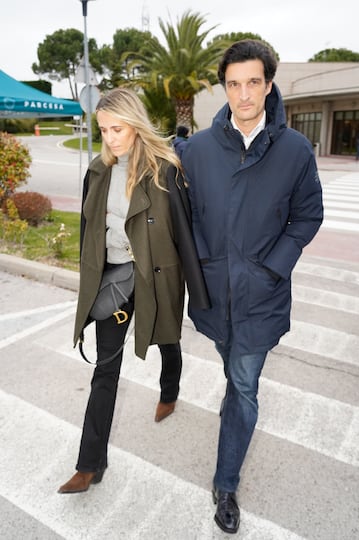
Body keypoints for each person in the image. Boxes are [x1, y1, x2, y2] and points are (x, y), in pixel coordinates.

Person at [181, 39, 323, 534]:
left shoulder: (295, 150)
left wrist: (272, 268)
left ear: (269, 83)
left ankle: (226, 483)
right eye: (234, 84)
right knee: (231, 371)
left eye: (253, 83)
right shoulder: (196, 149)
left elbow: (309, 214)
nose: (244, 95)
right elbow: (180, 212)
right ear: (225, 86)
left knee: (243, 386)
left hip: (261, 297)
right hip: (214, 296)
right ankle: (233, 417)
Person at [58, 87, 209, 494]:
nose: (109, 137)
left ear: (135, 124)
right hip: (116, 279)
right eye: (103, 129)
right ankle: (89, 465)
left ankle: (170, 390)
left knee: (166, 339)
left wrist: (198, 293)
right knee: (105, 369)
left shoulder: (165, 169)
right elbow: (90, 233)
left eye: (117, 128)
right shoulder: (98, 170)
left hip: (156, 275)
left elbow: (184, 231)